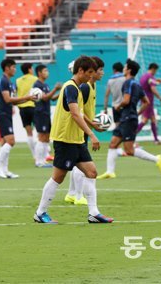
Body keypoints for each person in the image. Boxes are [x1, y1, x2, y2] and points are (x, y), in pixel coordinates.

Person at [33, 56, 113, 224]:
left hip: (76, 140)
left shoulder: (78, 87)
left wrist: (93, 126)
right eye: (89, 72)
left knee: (91, 172)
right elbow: (75, 114)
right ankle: (40, 213)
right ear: (80, 71)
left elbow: (81, 113)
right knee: (58, 177)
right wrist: (91, 135)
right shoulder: (71, 88)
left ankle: (94, 213)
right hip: (65, 140)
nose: (91, 76)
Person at [98, 59, 161, 180]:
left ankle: (156, 159)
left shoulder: (128, 83)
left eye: (125, 67)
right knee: (113, 143)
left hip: (128, 119)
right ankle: (110, 171)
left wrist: (118, 107)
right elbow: (147, 102)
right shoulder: (137, 84)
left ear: (128, 70)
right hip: (128, 117)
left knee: (129, 150)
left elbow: (126, 100)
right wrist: (137, 112)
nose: (124, 69)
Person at [65, 56, 108, 207]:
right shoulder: (84, 87)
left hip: (85, 127)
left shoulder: (92, 86)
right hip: (79, 128)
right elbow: (78, 111)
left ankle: (71, 193)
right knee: (81, 161)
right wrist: (92, 126)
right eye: (100, 70)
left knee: (78, 160)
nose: (102, 73)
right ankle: (78, 195)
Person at [0, 58, 36, 179]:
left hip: (7, 114)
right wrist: (27, 97)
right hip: (2, 114)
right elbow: (7, 99)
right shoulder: (3, 81)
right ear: (7, 68)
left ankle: (5, 170)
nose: (15, 69)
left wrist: (27, 99)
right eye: (13, 67)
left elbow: (14, 102)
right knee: (11, 141)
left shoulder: (10, 82)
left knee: (4, 142)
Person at [32, 64, 61, 167]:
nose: (47, 72)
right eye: (45, 70)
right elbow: (44, 98)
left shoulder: (45, 85)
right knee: (42, 136)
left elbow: (51, 98)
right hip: (40, 113)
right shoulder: (37, 85)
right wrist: (55, 89)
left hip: (46, 113)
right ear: (39, 73)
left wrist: (61, 93)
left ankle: (43, 160)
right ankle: (38, 161)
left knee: (47, 137)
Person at [16, 62, 38, 160]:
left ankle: (34, 154)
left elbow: (16, 94)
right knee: (41, 131)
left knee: (29, 132)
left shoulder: (18, 80)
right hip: (33, 106)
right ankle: (44, 153)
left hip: (22, 108)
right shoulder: (35, 79)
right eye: (32, 68)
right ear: (29, 69)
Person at [137, 63, 161, 144]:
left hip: (144, 99)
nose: (155, 72)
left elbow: (149, 84)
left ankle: (156, 140)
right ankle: (132, 135)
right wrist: (160, 97)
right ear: (153, 69)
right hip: (148, 101)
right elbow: (152, 88)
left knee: (153, 119)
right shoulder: (150, 77)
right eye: (156, 70)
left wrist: (157, 82)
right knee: (144, 120)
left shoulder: (144, 76)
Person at [103, 61, 125, 126]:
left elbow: (106, 95)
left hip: (115, 106)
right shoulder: (125, 78)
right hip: (124, 105)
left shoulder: (110, 80)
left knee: (117, 127)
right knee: (125, 126)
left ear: (114, 70)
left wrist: (105, 109)